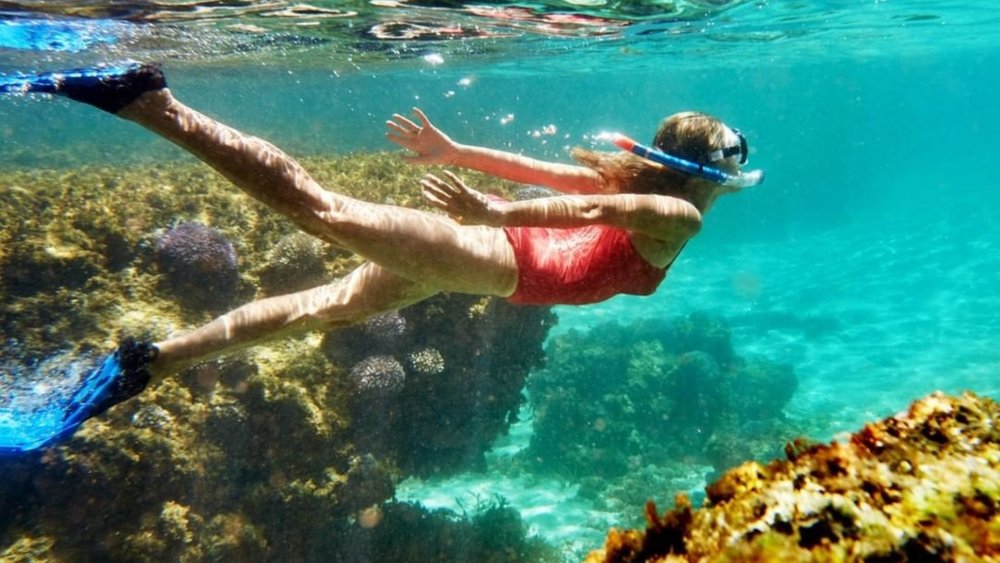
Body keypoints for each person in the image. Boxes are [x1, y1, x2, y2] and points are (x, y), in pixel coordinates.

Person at [25, 63, 758, 425]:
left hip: (487, 260)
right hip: (494, 255)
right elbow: (589, 205)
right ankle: (152, 103)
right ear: (712, 176)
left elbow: (548, 175)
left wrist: (457, 152)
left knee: (330, 307)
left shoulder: (647, 190)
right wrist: (490, 212)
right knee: (322, 210)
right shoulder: (680, 216)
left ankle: (152, 361)